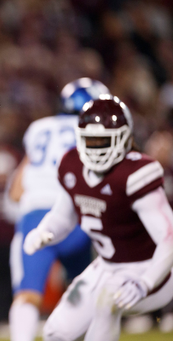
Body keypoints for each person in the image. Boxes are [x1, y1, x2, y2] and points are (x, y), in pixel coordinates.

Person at [23, 95, 173, 341]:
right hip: (106, 266)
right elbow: (62, 218)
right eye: (90, 140)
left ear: (125, 138)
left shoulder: (135, 174)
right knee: (55, 332)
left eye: (103, 141)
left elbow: (169, 238)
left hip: (153, 269)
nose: (96, 148)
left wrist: (144, 282)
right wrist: (44, 232)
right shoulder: (72, 165)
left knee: (107, 303)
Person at [7, 78, 110, 341]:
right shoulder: (96, 130)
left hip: (36, 217)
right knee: (85, 292)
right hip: (76, 218)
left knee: (28, 294)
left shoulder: (39, 128)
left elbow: (16, 192)